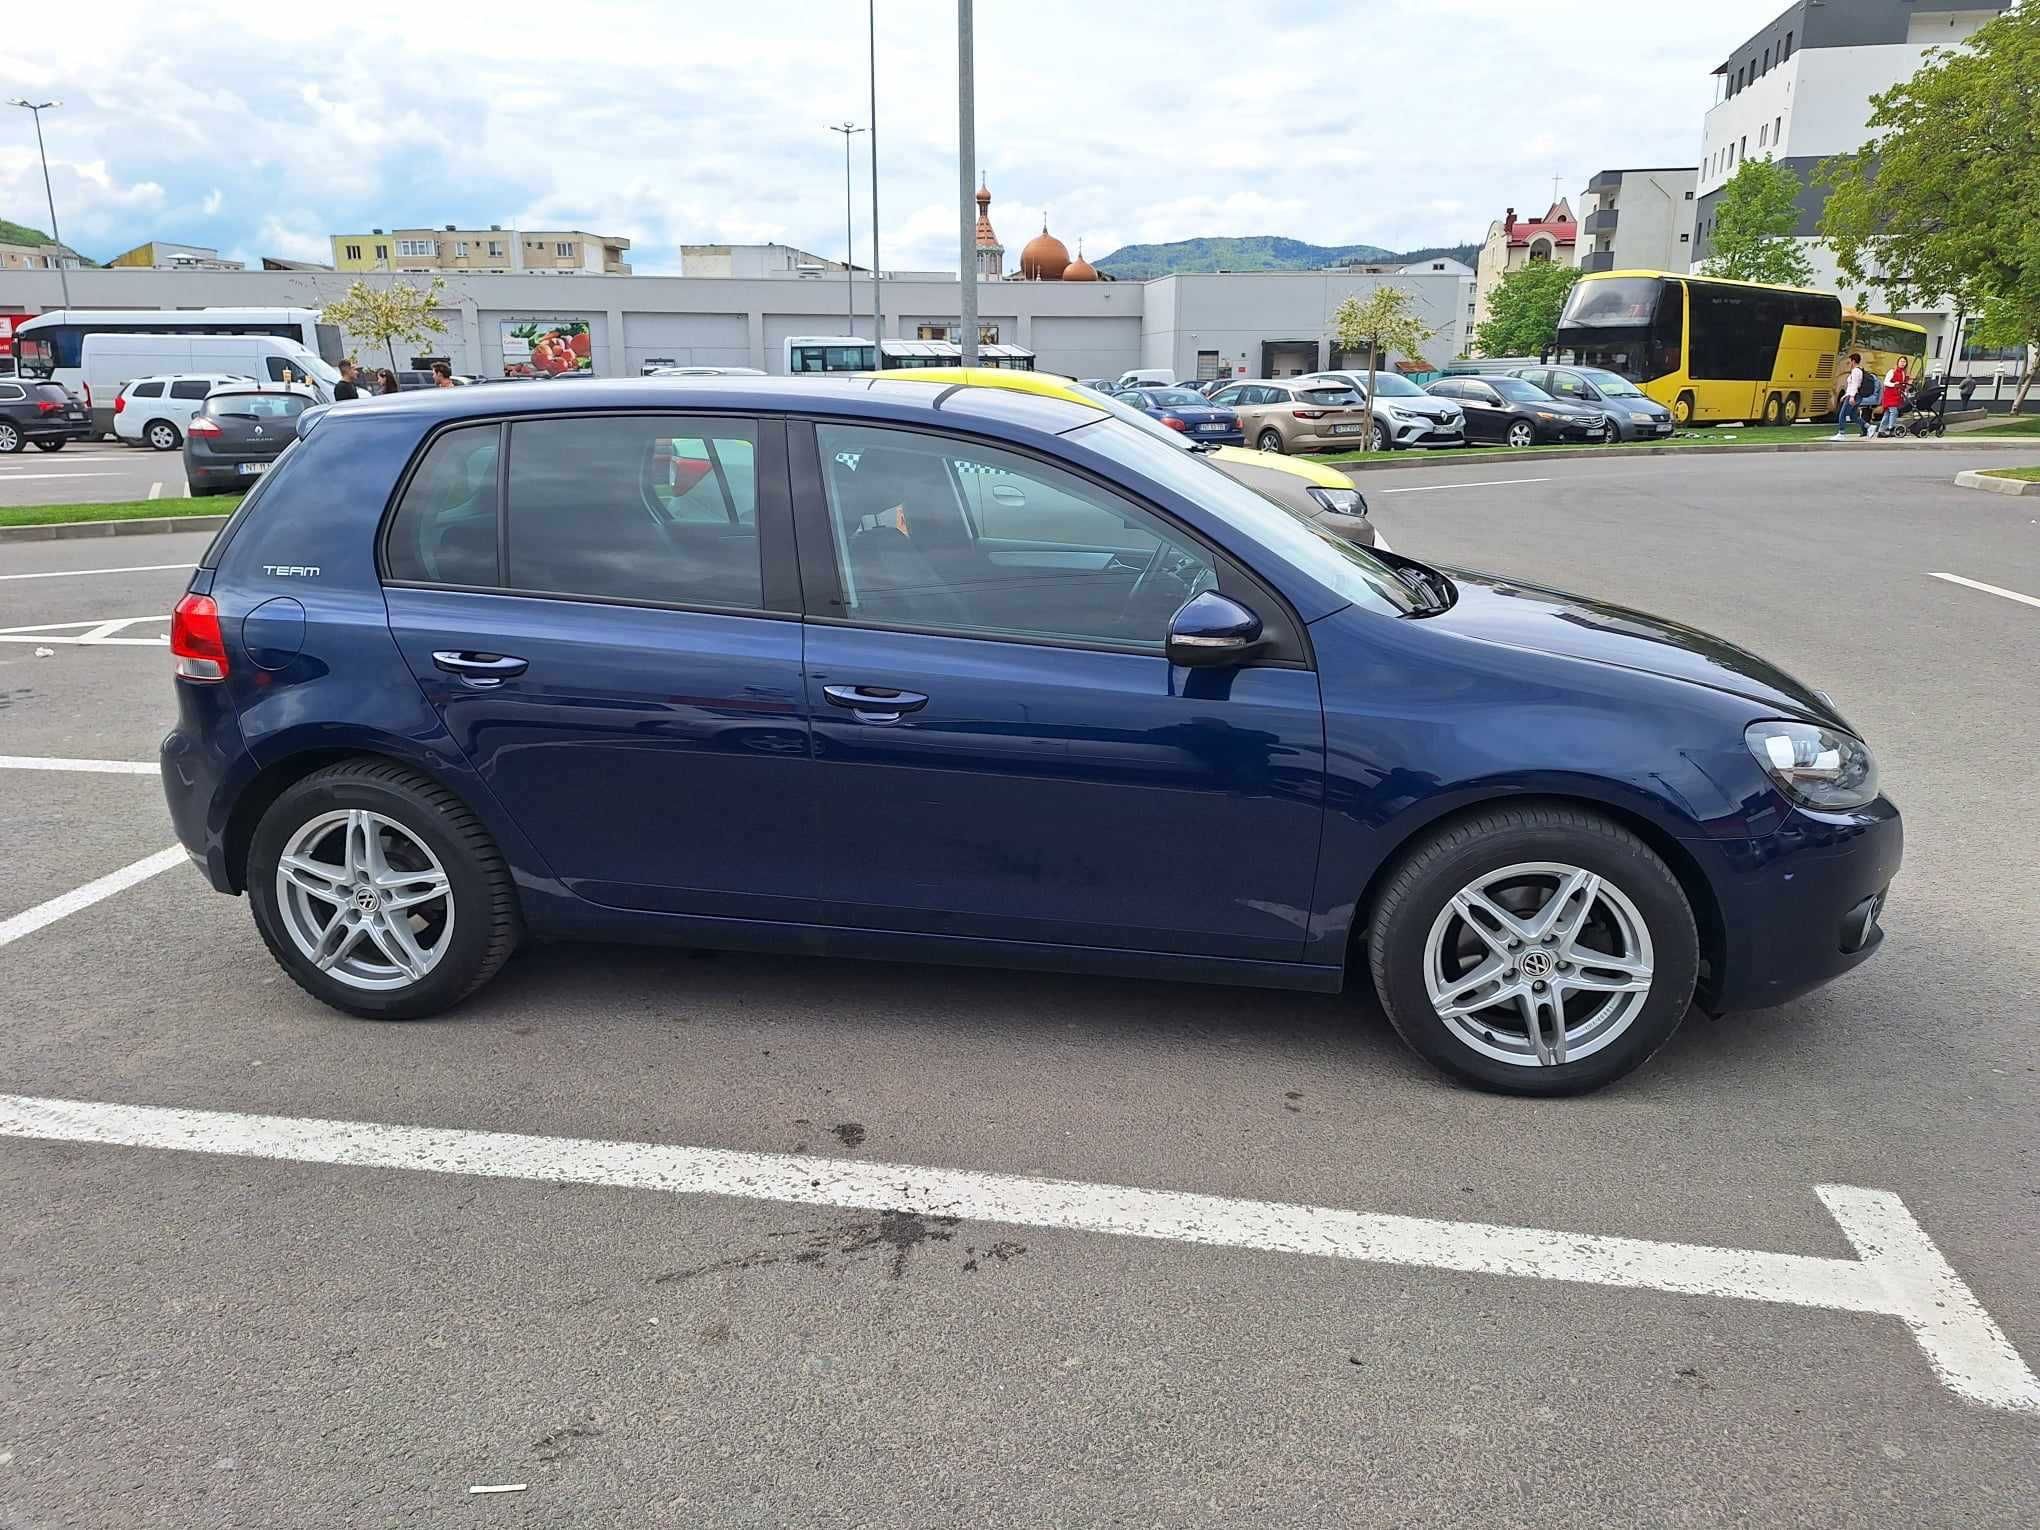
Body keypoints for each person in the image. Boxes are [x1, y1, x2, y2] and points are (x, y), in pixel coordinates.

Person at [1833, 353, 1868, 440]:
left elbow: (1855, 385)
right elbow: (1852, 385)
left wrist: (1851, 396)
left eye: (1849, 361)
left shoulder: (1855, 371)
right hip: (1853, 395)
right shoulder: (1858, 370)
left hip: (1853, 395)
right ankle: (1869, 427)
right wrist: (1845, 395)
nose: (1849, 363)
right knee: (1853, 416)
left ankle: (1841, 433)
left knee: (1842, 414)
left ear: (1853, 361)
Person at [1876, 359, 1908, 438]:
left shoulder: (1903, 373)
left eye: (1904, 362)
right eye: (1901, 361)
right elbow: (1886, 382)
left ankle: (1881, 430)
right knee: (1894, 412)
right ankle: (1891, 428)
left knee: (1887, 413)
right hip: (1889, 395)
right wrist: (1894, 384)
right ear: (1897, 362)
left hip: (1896, 395)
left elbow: (1902, 384)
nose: (1902, 363)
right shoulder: (1892, 371)